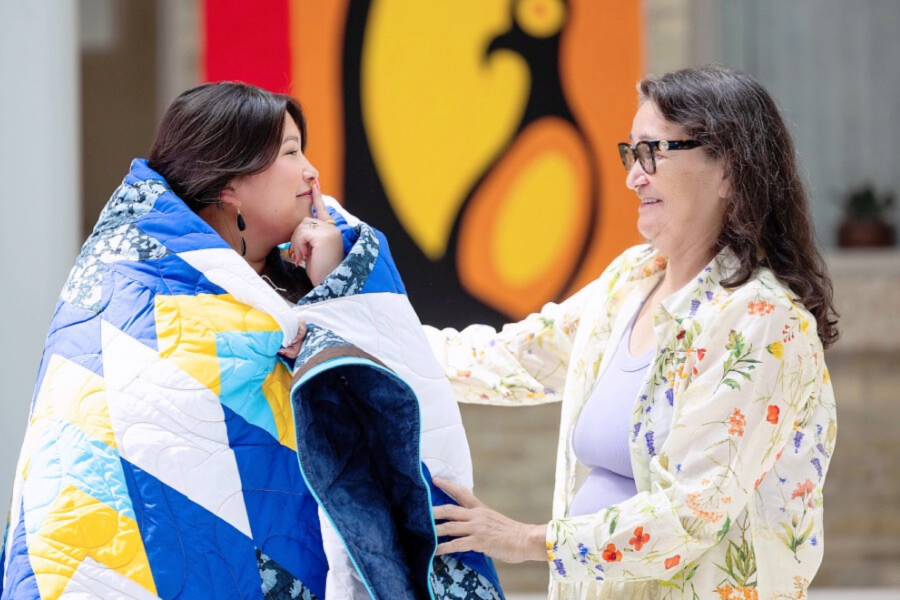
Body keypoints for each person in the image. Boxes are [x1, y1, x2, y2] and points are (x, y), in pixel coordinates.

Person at [0, 82, 503, 600]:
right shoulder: (127, 283)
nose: (311, 171)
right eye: (289, 152)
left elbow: (398, 390)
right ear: (229, 182)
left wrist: (339, 288)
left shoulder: (318, 271)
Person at [424, 65, 839, 600]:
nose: (632, 177)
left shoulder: (761, 320)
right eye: (631, 154)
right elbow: (513, 359)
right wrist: (362, 335)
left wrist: (526, 540)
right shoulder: (630, 280)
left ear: (730, 170)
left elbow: (692, 513)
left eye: (652, 152)